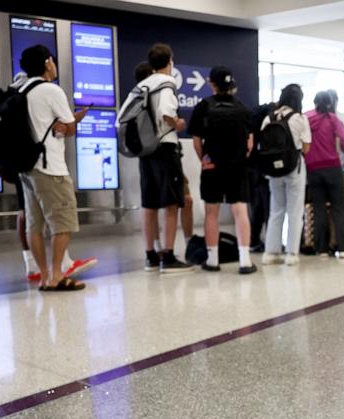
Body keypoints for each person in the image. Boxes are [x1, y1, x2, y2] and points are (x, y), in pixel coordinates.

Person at [17, 45, 92, 291]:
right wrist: (70, 122)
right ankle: (57, 276)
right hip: (51, 168)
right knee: (63, 222)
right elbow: (69, 128)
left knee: (34, 226)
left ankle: (46, 275)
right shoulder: (51, 89)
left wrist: (62, 124)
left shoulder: (21, 89)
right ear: (48, 63)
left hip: (27, 168)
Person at [125, 44, 192, 273]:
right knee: (171, 204)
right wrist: (178, 124)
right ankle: (169, 256)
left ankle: (150, 256)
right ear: (170, 62)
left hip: (146, 151)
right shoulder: (167, 83)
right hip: (165, 149)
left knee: (149, 204)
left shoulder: (141, 85)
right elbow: (166, 112)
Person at [188, 65, 257, 274]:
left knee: (211, 212)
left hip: (213, 167)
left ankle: (212, 260)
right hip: (237, 167)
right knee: (240, 210)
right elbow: (250, 144)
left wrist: (204, 160)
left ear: (212, 84)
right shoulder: (244, 109)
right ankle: (245, 261)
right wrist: (239, 159)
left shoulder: (203, 107)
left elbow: (197, 141)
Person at [261, 83, 312, 266]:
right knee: (295, 211)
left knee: (276, 210)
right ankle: (292, 253)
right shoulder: (300, 118)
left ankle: (271, 252)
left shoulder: (269, 118)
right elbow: (306, 147)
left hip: (273, 170)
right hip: (294, 167)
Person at [305, 90, 344, 258]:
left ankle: (321, 249)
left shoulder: (307, 118)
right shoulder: (333, 119)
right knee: (338, 208)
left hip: (312, 169)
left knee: (319, 208)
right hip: (332, 167)